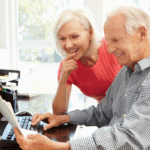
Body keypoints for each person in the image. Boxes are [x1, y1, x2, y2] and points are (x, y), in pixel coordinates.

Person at [14, 5, 150, 149]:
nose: (109, 49)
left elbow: (129, 138)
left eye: (116, 40)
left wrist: (60, 147)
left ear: (141, 33)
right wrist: (63, 118)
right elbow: (101, 113)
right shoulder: (127, 70)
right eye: (109, 41)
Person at [52, 7, 122, 115]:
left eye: (74, 37)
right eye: (62, 38)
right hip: (106, 116)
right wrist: (63, 78)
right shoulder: (67, 66)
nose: (68, 45)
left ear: (90, 33)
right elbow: (58, 113)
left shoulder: (111, 47)